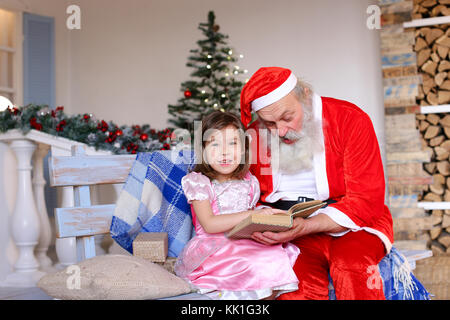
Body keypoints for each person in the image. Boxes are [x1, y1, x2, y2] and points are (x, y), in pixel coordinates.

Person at [240, 67, 394, 300]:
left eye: (287, 117)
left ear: (305, 95)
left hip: (353, 224)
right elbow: (250, 193)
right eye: (269, 123)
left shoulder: (350, 118)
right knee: (293, 286)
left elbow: (366, 199)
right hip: (291, 229)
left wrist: (306, 226)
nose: (280, 131)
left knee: (351, 266)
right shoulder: (255, 135)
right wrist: (266, 223)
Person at [174, 111, 300, 300]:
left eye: (233, 143)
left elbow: (248, 214)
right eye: (215, 144)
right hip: (214, 247)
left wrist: (264, 215)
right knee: (250, 263)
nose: (225, 152)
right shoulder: (198, 182)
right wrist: (248, 216)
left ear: (243, 149)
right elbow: (209, 224)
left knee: (273, 255)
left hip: (244, 240)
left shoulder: (249, 181)